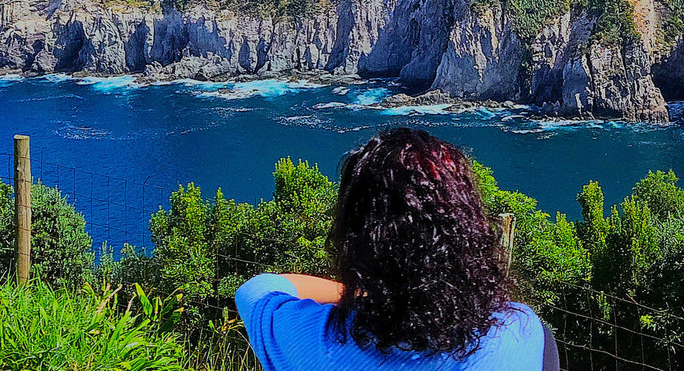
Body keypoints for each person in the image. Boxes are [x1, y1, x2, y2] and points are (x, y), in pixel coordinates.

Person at [235, 127, 558, 370]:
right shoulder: (526, 334)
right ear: (468, 232)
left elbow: (257, 289)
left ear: (358, 239)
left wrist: (363, 292)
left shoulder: (316, 344)